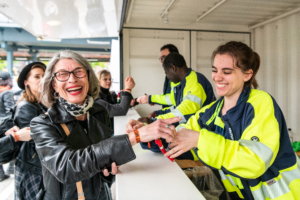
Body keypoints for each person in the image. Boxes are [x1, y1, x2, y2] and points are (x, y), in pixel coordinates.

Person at [30, 50, 180, 200]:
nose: (72, 79)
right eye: (62, 74)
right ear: (54, 85)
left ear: (88, 78)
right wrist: (135, 137)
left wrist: (111, 166)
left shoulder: (99, 112)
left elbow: (103, 159)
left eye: (79, 72)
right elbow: (67, 167)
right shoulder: (42, 124)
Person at [162, 41, 300, 200]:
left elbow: (254, 162)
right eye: (215, 70)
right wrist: (148, 132)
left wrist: (200, 140)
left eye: (226, 72)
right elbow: (181, 133)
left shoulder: (260, 103)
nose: (217, 77)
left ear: (247, 74)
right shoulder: (211, 111)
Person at [12, 62, 48, 200]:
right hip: (31, 169)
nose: (42, 80)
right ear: (26, 82)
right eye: (37, 77)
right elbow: (40, 137)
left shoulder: (44, 103)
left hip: (41, 167)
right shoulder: (25, 107)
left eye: (44, 76)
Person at [0, 71, 14, 181]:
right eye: (10, 79)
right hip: (4, 125)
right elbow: (10, 110)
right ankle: (11, 167)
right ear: (6, 81)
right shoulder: (6, 93)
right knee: (14, 142)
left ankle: (1, 174)